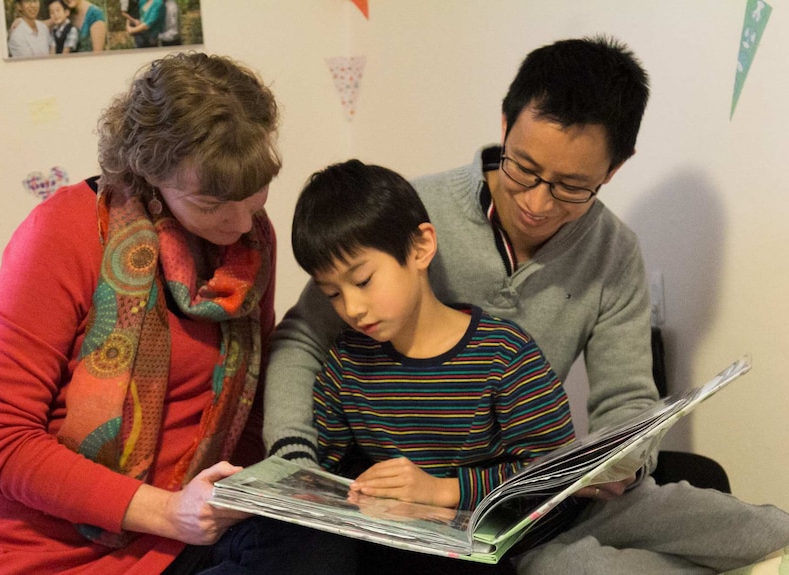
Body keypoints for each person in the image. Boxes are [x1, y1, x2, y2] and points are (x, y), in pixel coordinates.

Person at [265, 36, 789, 574]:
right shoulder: (411, 218)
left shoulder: (613, 253)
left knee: (717, 517)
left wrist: (620, 465)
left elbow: (627, 398)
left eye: (571, 187)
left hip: (553, 488)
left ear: (614, 170)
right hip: (470, 516)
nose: (537, 203)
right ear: (504, 125)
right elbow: (304, 337)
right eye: (524, 168)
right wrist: (293, 461)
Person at [0, 52, 353, 575]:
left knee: (324, 551)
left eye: (255, 192)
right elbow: (1, 444)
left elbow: (247, 410)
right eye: (211, 201)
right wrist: (168, 512)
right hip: (51, 547)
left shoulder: (250, 239)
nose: (241, 218)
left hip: (182, 535)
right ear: (149, 174)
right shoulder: (62, 234)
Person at [291, 159, 582, 550]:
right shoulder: (347, 362)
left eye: (363, 281)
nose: (352, 308)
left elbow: (558, 473)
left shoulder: (504, 354)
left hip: (507, 542)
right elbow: (330, 467)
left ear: (421, 248)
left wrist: (444, 491)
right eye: (333, 294)